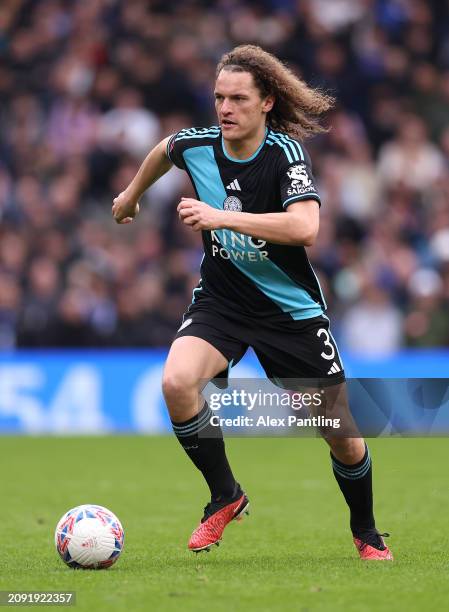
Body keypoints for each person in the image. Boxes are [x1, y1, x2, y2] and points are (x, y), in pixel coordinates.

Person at [112, 45, 393, 561]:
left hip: (290, 313)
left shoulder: (283, 154)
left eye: (238, 98)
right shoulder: (199, 145)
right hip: (222, 301)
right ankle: (225, 496)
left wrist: (222, 218)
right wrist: (130, 196)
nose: (225, 109)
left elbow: (305, 227)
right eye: (219, 97)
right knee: (177, 382)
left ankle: (367, 531)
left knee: (342, 437)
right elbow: (163, 149)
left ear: (266, 102)